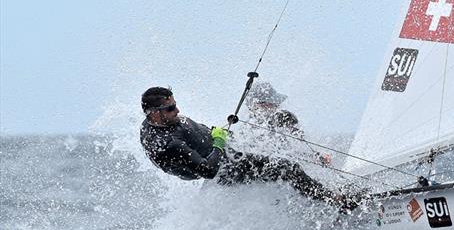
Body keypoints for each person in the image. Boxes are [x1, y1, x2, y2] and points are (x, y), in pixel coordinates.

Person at [139, 86, 352, 208]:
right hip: (224, 169)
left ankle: (319, 194)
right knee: (286, 168)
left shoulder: (165, 119)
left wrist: (217, 132)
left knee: (277, 157)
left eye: (175, 104)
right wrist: (220, 142)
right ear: (154, 113)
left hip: (229, 153)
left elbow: (196, 132)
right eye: (171, 108)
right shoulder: (167, 144)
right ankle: (335, 201)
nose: (177, 110)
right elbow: (208, 170)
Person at [244, 80, 332, 166]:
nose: (276, 106)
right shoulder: (248, 130)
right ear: (257, 104)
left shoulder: (279, 121)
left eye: (275, 103)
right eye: (271, 103)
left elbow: (288, 152)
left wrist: (315, 156)